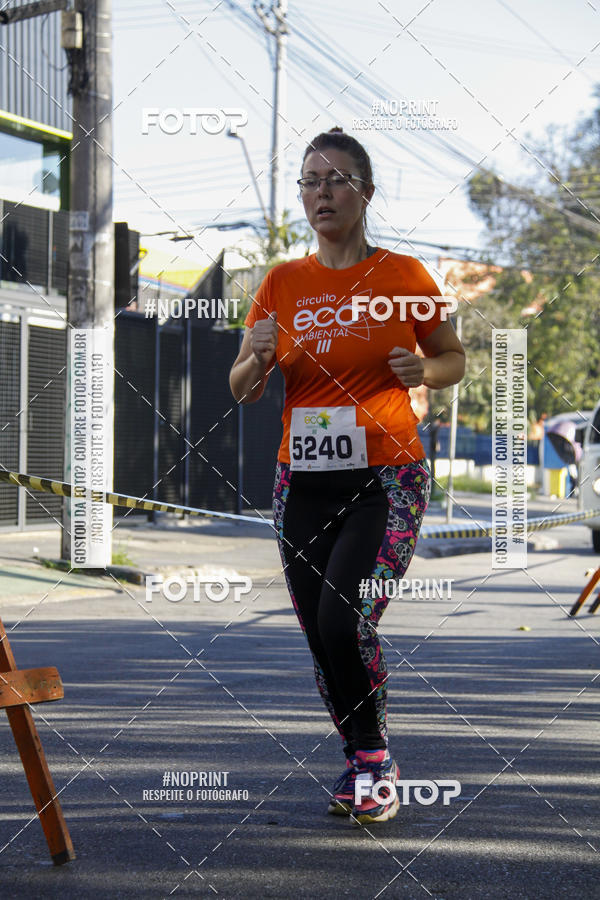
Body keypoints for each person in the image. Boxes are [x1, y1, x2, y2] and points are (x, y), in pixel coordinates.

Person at [229, 127, 465, 825]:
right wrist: (258, 359)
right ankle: (366, 759)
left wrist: (427, 371)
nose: (320, 193)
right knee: (320, 632)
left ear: (365, 191)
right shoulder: (281, 284)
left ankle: (371, 761)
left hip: (386, 479)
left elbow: (452, 357)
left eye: (334, 179)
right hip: (301, 483)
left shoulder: (405, 277)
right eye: (308, 180)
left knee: (346, 616)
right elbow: (240, 387)